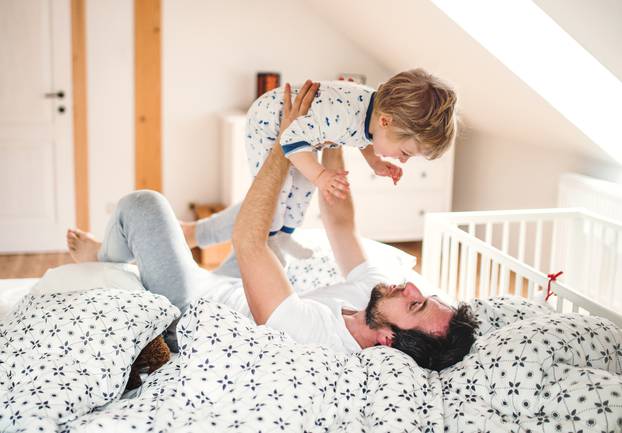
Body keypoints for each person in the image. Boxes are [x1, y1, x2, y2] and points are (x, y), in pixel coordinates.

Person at [67, 80, 476, 371]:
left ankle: (106, 261)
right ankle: (189, 235)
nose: (411, 285)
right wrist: (333, 135)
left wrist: (288, 140)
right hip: (238, 288)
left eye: (416, 303)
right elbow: (340, 224)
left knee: (146, 204)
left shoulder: (317, 337)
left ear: (388, 341)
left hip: (194, 308)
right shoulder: (376, 301)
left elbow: (248, 240)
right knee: (281, 224)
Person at [244, 69, 458, 264]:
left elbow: (363, 136)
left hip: (304, 131)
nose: (403, 160)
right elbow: (290, 137)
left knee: (304, 185)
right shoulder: (344, 116)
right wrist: (320, 176)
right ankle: (270, 237)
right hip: (268, 123)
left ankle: (284, 236)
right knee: (280, 185)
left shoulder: (376, 115)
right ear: (385, 122)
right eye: (405, 153)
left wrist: (375, 162)